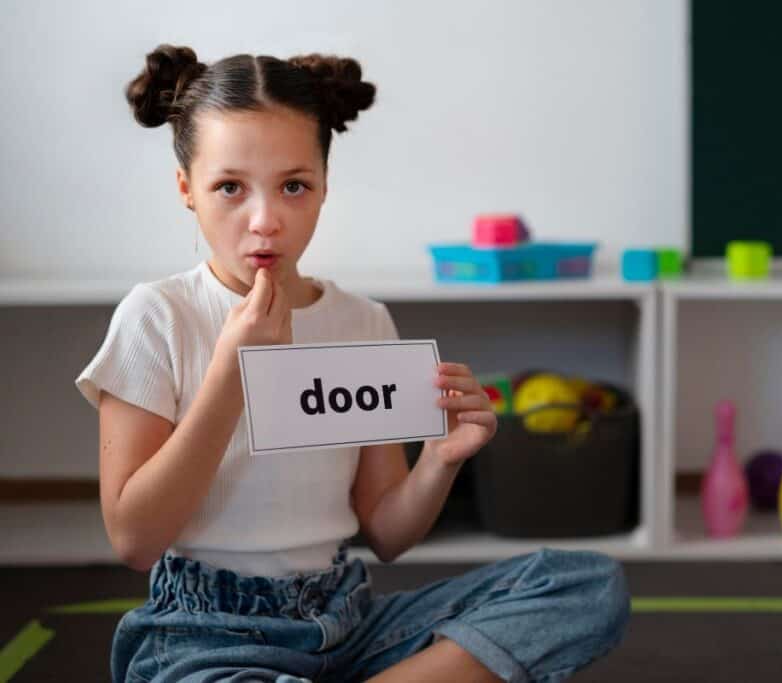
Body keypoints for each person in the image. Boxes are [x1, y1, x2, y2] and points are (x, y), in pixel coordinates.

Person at [75, 44, 629, 683]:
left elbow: (388, 534)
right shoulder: (156, 317)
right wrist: (231, 373)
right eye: (229, 187)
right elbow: (135, 541)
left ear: (323, 188)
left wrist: (442, 460)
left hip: (348, 623)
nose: (266, 221)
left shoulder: (365, 323)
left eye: (293, 186)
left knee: (586, 585)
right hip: (204, 638)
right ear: (187, 191)